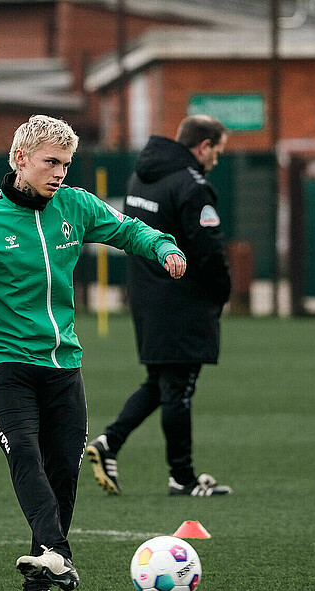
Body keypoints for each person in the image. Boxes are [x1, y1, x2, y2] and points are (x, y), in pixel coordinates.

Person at [0, 115, 186, 591]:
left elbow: (128, 230)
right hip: (5, 364)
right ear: (20, 159)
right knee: (25, 453)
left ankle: (39, 583)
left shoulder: (75, 206)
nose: (60, 173)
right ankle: (54, 551)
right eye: (51, 162)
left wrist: (162, 245)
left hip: (63, 364)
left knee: (65, 469)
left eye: (66, 164)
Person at [86, 114, 233, 498]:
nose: (217, 157)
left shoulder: (141, 176)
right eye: (217, 149)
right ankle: (182, 477)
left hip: (146, 295)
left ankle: (109, 443)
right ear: (203, 147)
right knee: (179, 389)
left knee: (161, 383)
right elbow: (207, 250)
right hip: (182, 298)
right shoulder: (191, 185)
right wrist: (222, 291)